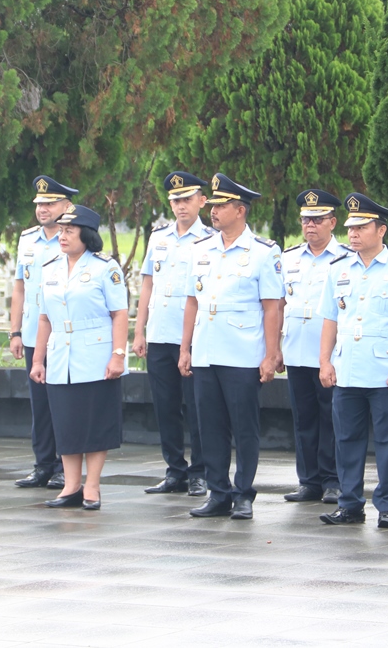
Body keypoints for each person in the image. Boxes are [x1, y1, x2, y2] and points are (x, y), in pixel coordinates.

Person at [317, 194, 388, 528]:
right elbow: (330, 319)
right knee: (346, 440)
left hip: (384, 372)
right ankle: (350, 504)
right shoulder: (338, 270)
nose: (353, 233)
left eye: (362, 227)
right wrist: (324, 361)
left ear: (381, 230)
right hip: (348, 370)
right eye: (350, 227)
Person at [178, 173, 283, 520]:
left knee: (244, 426)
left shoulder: (264, 253)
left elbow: (272, 306)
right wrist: (185, 348)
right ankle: (218, 491)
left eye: (221, 206)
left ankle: (243, 494)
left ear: (240, 210)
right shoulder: (201, 249)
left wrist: (271, 354)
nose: (214, 211)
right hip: (206, 349)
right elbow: (192, 301)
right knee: (209, 427)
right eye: (214, 205)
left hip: (242, 352)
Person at [29, 204, 129, 510]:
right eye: (61, 231)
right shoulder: (50, 268)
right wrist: (37, 360)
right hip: (61, 357)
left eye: (69, 231)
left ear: (86, 235)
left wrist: (118, 355)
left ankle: (92, 487)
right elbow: (44, 318)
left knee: (95, 424)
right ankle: (71, 486)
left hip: (96, 355)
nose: (63, 236)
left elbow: (119, 313)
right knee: (67, 424)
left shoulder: (104, 268)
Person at [133, 171, 214, 497]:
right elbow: (148, 284)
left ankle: (200, 472)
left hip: (193, 336)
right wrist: (139, 331)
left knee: (197, 407)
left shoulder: (209, 238)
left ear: (201, 201)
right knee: (165, 407)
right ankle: (174, 470)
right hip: (160, 332)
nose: (181, 206)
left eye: (187, 199)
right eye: (175, 200)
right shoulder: (159, 237)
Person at [9, 175, 77, 491]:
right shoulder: (27, 240)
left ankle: (66, 466)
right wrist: (15, 331)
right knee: (39, 404)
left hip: (62, 333)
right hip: (34, 331)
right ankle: (43, 464)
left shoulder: (74, 239)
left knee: (63, 402)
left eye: (50, 203)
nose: (43, 209)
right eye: (39, 204)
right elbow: (20, 288)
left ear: (67, 205)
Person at [280, 189, 344, 505]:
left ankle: (333, 480)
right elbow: (278, 304)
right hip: (295, 349)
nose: (311, 226)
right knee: (303, 418)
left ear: (332, 222)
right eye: (306, 219)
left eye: (317, 220)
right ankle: (309, 481)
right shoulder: (289, 258)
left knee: (331, 418)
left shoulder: (345, 258)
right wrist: (275, 347)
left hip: (329, 354)